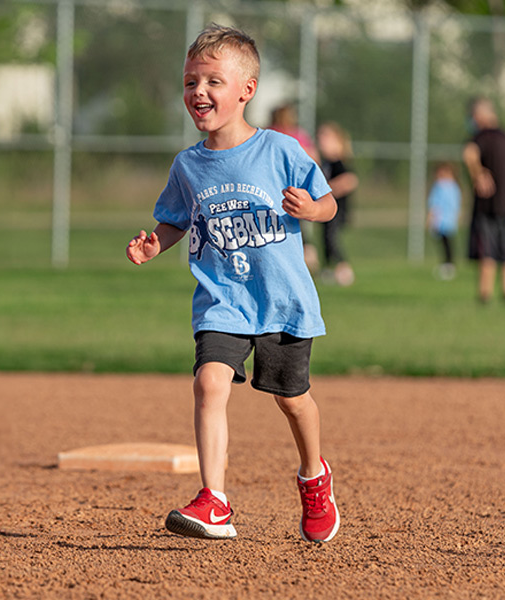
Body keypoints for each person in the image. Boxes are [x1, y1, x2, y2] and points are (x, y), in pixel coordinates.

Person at [126, 24, 340, 543]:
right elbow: (177, 218)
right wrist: (157, 243)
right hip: (223, 301)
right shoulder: (188, 165)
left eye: (213, 81)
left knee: (292, 399)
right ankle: (214, 500)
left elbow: (329, 203)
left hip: (282, 301)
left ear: (246, 90)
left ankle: (314, 477)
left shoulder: (281, 150)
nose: (199, 92)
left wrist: (311, 209)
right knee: (209, 383)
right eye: (190, 82)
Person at [462, 97, 505, 303]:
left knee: (487, 249)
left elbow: (469, 154)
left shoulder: (480, 137)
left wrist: (479, 174)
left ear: (479, 115)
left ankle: (484, 294)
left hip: (485, 205)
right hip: (504, 204)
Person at [269, 103, 321, 273]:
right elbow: (313, 158)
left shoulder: (276, 134)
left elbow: (311, 158)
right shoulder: (283, 134)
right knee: (296, 226)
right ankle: (307, 258)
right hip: (286, 188)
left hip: (282, 188)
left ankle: (307, 259)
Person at [316, 122, 358, 287]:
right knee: (325, 237)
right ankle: (327, 268)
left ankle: (343, 267)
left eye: (325, 137)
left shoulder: (338, 162)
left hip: (338, 209)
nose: (321, 141)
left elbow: (350, 180)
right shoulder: (324, 162)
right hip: (325, 209)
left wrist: (327, 191)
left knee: (331, 237)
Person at [426, 162, 462, 281]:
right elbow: (434, 203)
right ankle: (445, 264)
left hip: (449, 220)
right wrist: (431, 218)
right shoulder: (438, 186)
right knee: (442, 243)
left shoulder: (453, 187)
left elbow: (456, 204)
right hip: (439, 220)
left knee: (448, 243)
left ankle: (449, 265)